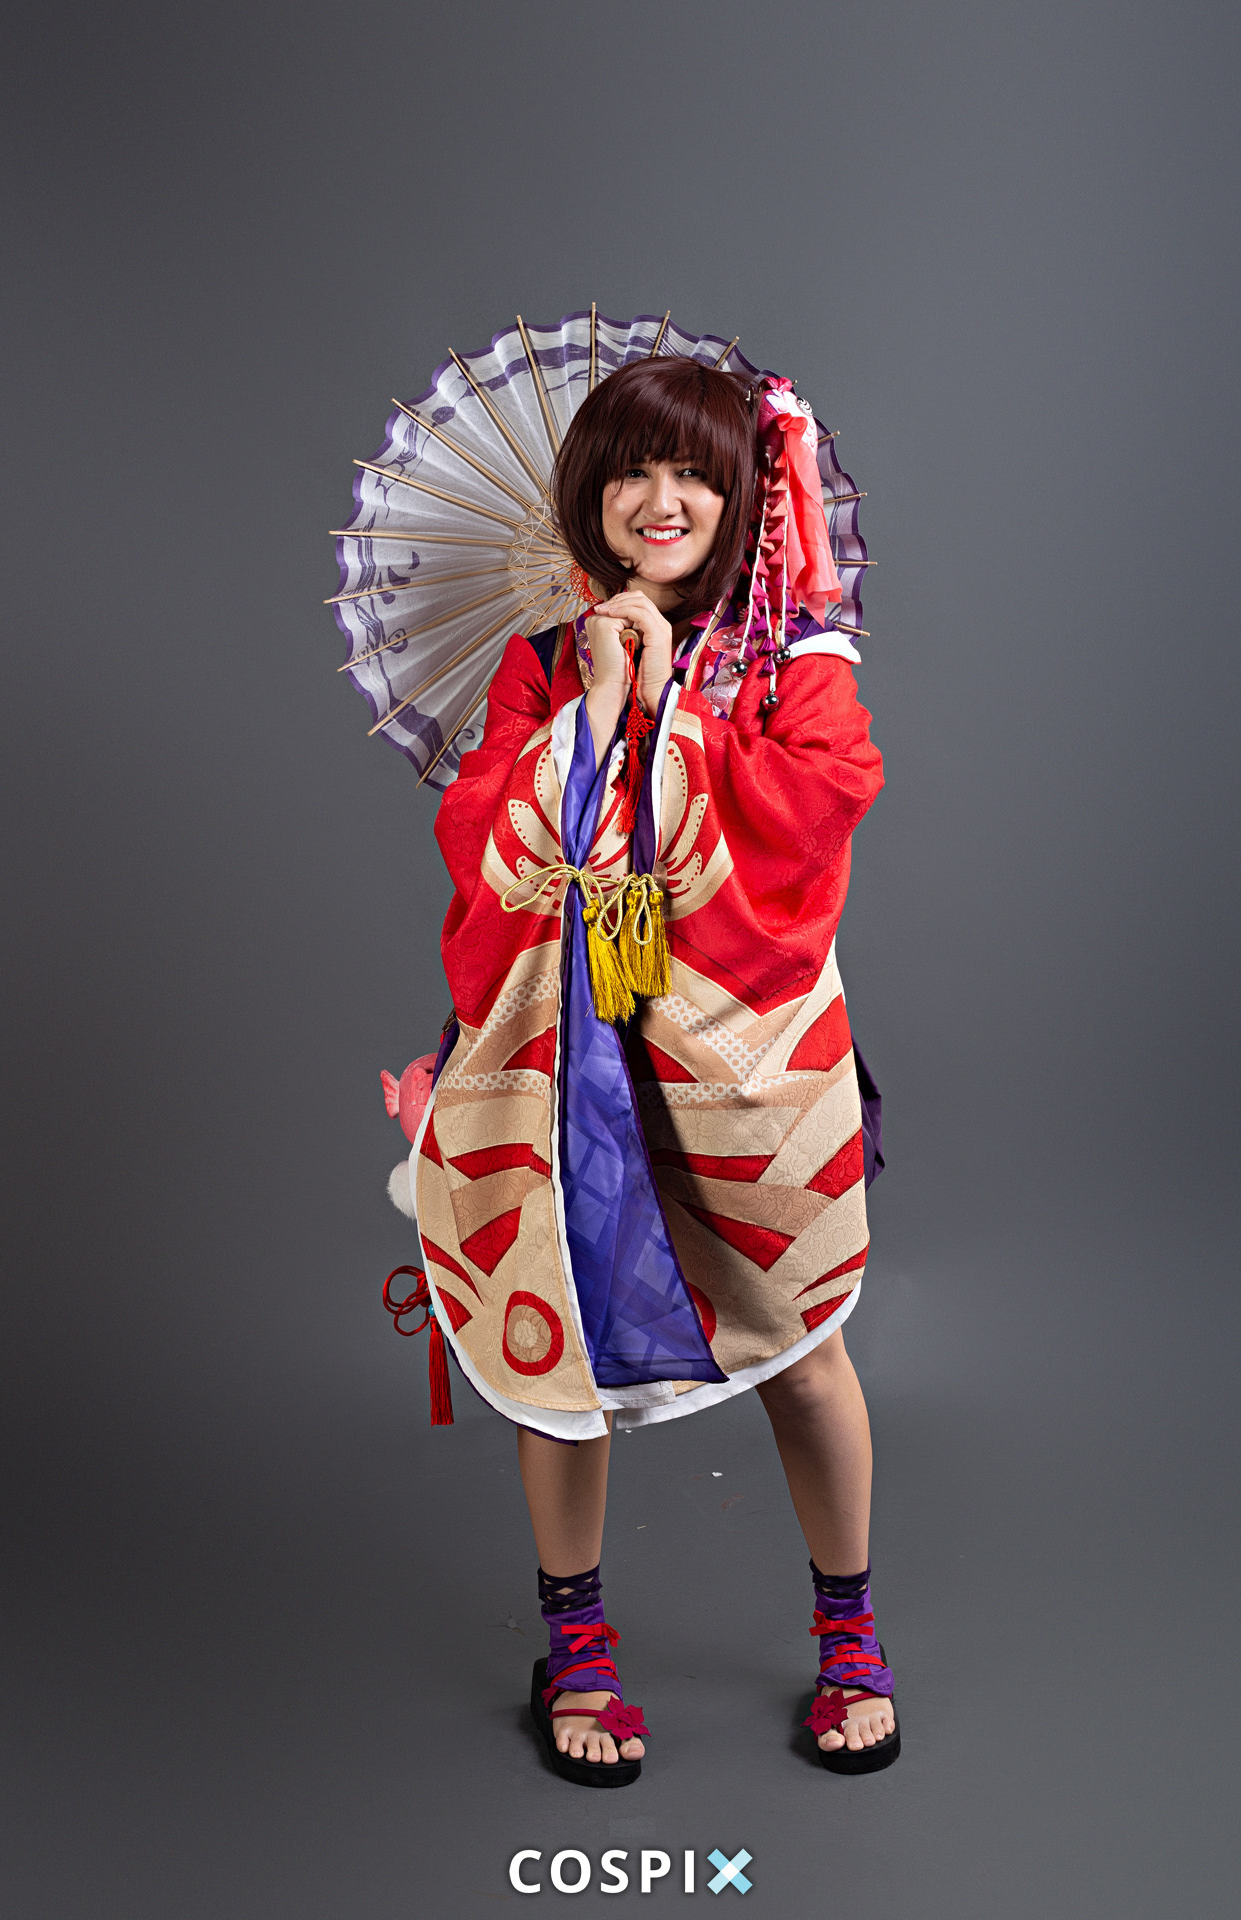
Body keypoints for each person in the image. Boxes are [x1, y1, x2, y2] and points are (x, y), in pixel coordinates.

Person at [412, 354, 894, 1782]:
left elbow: (818, 815)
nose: (663, 500)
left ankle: (850, 1632)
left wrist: (673, 712)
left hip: (746, 1062)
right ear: (592, 495)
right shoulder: (547, 658)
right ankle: (577, 1643)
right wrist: (598, 697)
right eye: (632, 471)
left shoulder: (801, 656)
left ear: (747, 494)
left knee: (803, 1351)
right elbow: (484, 841)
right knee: (559, 1348)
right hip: (571, 1049)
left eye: (696, 472)